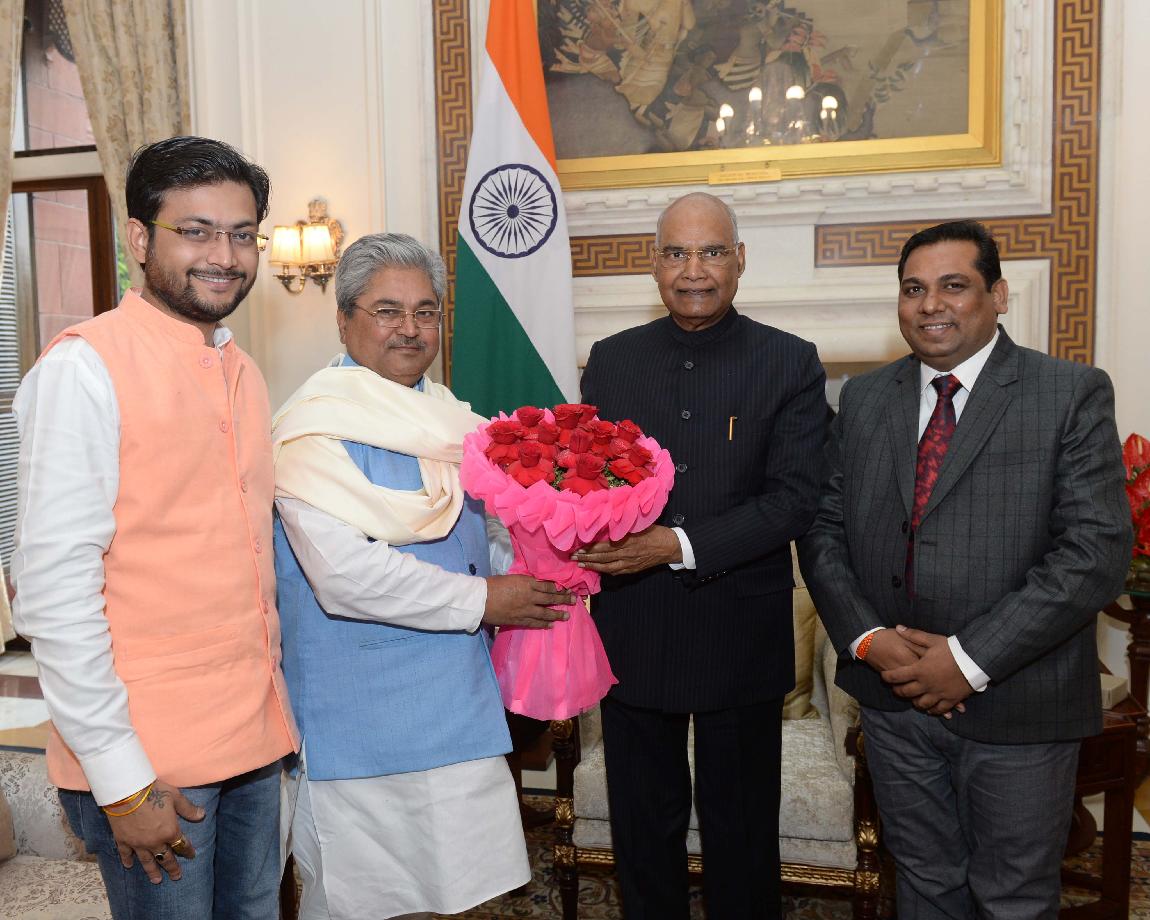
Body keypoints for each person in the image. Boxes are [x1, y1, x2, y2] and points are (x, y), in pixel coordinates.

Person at [798, 219, 1133, 919]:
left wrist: (967, 660)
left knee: (1013, 897)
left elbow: (1094, 553)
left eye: (954, 285)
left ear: (997, 295)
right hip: (892, 701)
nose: (930, 305)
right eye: (913, 289)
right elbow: (825, 531)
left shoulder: (1068, 392)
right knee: (923, 883)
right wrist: (869, 640)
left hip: (1019, 702)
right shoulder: (864, 398)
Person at [11, 136, 298, 919]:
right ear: (140, 238)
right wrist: (122, 780)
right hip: (151, 762)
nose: (224, 256)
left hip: (254, 739)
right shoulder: (84, 369)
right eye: (196, 231)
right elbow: (53, 595)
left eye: (242, 234)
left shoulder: (242, 370)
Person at [272, 232, 573, 920]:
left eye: (426, 311)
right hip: (360, 722)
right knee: (359, 907)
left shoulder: (452, 422)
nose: (409, 328)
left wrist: (547, 562)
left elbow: (479, 538)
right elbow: (344, 575)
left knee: (454, 901)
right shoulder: (310, 431)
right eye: (387, 311)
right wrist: (487, 599)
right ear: (344, 319)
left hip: (458, 709)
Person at [574, 192, 828, 920]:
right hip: (635, 627)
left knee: (742, 835)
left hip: (738, 633)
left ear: (739, 260)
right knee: (642, 830)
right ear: (654, 264)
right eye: (677, 253)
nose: (695, 270)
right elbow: (590, 482)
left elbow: (795, 500)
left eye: (712, 252)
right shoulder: (612, 361)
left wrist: (676, 545)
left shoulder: (789, 361)